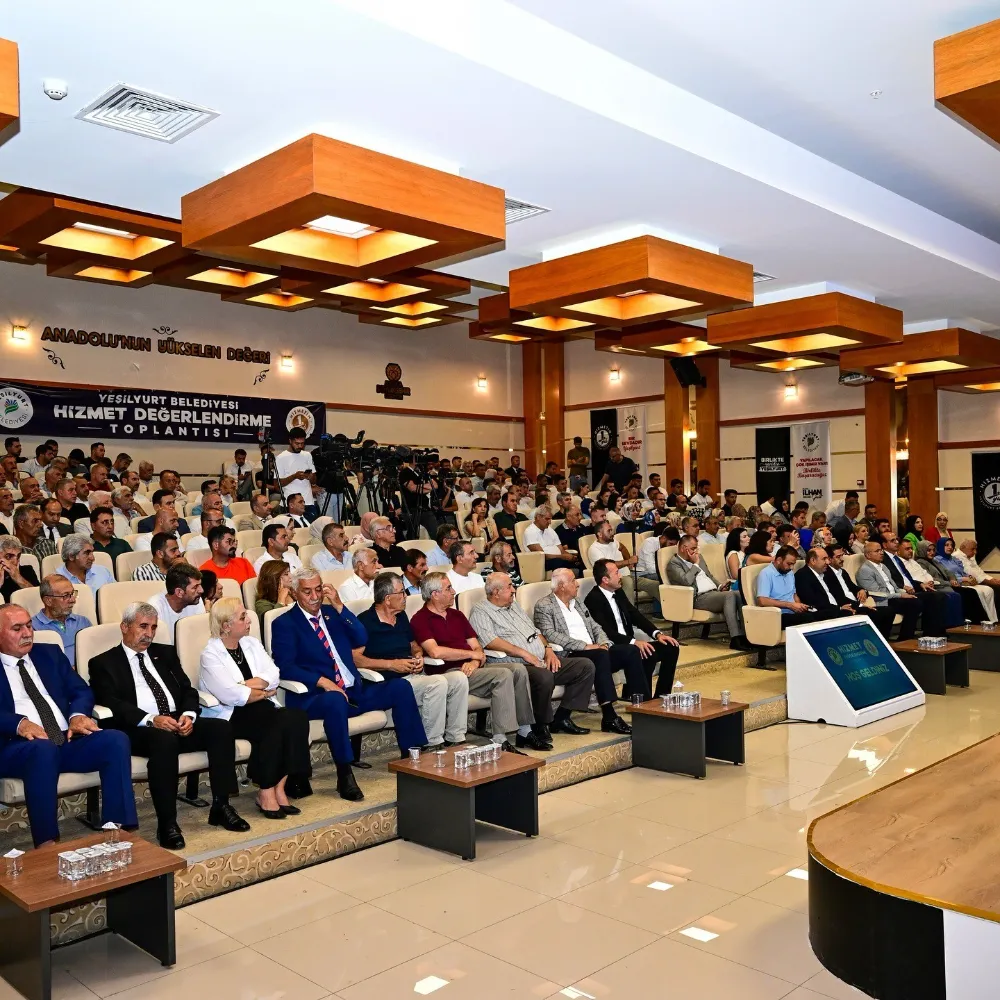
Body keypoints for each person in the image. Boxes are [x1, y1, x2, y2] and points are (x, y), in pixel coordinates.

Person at [89, 601, 250, 849]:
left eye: (153, 627)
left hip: (176, 720)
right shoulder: (103, 662)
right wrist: (151, 719)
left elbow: (187, 689)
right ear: (124, 627)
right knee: (163, 741)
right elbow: (111, 703)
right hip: (138, 729)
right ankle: (167, 822)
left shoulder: (164, 653)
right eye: (143, 626)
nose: (149, 633)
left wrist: (188, 715)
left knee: (220, 727)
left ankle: (221, 805)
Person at [272, 569, 427, 799]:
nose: (315, 596)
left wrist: (339, 605)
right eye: (307, 591)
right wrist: (322, 681)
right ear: (294, 593)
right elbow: (285, 666)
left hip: (354, 690)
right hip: (313, 697)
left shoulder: (331, 613)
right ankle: (344, 773)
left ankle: (411, 758)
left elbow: (361, 638)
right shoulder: (284, 623)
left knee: (401, 687)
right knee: (335, 700)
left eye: (318, 589)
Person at [0, 605, 136, 847]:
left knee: (115, 739)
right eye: (17, 628)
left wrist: (77, 714)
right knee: (43, 750)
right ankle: (46, 843)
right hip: (17, 747)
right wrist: (18, 723)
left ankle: (117, 829)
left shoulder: (48, 654)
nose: (27, 633)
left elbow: (81, 690)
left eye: (29, 626)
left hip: (65, 739)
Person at [199, 599, 311, 820]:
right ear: (226, 625)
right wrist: (260, 689)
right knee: (274, 723)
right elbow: (230, 695)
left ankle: (279, 786)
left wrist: (246, 686)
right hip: (230, 714)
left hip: (259, 706)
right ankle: (266, 790)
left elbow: (273, 675)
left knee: (296, 717)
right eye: (242, 617)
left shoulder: (251, 643)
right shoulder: (210, 654)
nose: (249, 620)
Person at [470, 573, 595, 748]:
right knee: (544, 676)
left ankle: (562, 717)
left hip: (540, 659)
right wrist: (524, 653)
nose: (514, 589)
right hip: (514, 664)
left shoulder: (513, 606)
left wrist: (548, 649)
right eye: (509, 587)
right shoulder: (481, 610)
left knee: (584, 666)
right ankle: (539, 724)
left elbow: (535, 631)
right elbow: (489, 641)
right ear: (496, 592)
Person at [411, 572, 531, 753]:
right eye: (448, 588)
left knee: (518, 669)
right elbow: (435, 652)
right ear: (435, 594)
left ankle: (525, 730)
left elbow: (477, 648)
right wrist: (470, 655)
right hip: (447, 673)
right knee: (503, 674)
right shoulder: (420, 619)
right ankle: (500, 739)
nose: (454, 592)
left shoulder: (457, 615)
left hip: (471, 670)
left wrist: (474, 661)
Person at [355, 573, 469, 749]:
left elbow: (414, 644)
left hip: (413, 675)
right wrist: (391, 665)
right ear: (387, 599)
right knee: (437, 682)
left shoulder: (401, 617)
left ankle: (456, 737)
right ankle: (432, 742)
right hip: (387, 682)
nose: (405, 596)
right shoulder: (364, 621)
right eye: (401, 593)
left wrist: (418, 655)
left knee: (459, 678)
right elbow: (356, 659)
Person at [532, 570, 635, 734]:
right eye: (573, 581)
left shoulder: (578, 602)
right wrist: (585, 646)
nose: (578, 584)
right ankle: (609, 716)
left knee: (630, 651)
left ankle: (641, 705)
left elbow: (595, 626)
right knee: (600, 657)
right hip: (570, 653)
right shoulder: (544, 605)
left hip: (595, 650)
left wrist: (604, 643)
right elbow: (549, 634)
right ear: (561, 586)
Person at [585, 558, 681, 698]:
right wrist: (633, 642)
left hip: (631, 644)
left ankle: (662, 696)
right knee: (643, 652)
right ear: (605, 579)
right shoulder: (593, 600)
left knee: (671, 646)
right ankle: (644, 701)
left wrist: (657, 634)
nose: (621, 576)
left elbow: (635, 615)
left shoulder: (618, 592)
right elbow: (606, 632)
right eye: (617, 573)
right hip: (614, 647)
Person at [667, 536, 750, 648]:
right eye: (693, 548)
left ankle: (746, 636)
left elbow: (709, 576)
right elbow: (686, 581)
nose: (696, 551)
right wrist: (695, 564)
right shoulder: (674, 563)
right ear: (683, 548)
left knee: (739, 594)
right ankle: (735, 638)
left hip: (714, 594)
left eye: (696, 548)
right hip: (698, 598)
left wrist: (720, 586)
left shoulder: (698, 557)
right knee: (730, 596)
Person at [794, 547, 896, 637]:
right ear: (813, 560)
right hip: (825, 611)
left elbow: (840, 593)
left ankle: (880, 641)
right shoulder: (803, 575)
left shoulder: (825, 574)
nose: (828, 562)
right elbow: (812, 600)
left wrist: (858, 605)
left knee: (887, 611)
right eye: (824, 559)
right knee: (861, 614)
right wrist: (839, 608)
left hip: (840, 607)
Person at [754, 545, 850, 629]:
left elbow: (794, 594)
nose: (792, 568)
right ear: (779, 560)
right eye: (789, 564)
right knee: (812, 618)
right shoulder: (766, 573)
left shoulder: (789, 573)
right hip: (778, 615)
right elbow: (762, 601)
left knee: (824, 613)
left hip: (794, 612)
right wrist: (790, 605)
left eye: (793, 564)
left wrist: (800, 606)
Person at [879, 533, 952, 635]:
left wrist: (920, 584)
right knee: (924, 600)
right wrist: (903, 587)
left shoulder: (896, 558)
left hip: (913, 588)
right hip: (900, 591)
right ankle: (912, 637)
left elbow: (906, 576)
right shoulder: (883, 559)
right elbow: (888, 579)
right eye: (892, 541)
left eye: (896, 539)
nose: (896, 542)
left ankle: (934, 633)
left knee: (940, 596)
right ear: (884, 545)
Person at [855, 541, 926, 640]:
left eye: (881, 550)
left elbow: (894, 587)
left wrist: (902, 593)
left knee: (921, 599)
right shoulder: (865, 570)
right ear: (868, 555)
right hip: (883, 600)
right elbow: (878, 594)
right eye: (877, 551)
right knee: (914, 604)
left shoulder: (883, 566)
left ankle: (911, 636)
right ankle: (905, 638)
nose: (881, 553)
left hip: (894, 596)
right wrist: (900, 595)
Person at [31, 575, 93, 666]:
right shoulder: (33, 628)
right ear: (48, 601)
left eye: (73, 594)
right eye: (66, 595)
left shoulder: (83, 622)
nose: (73, 600)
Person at [929, 538, 992, 623]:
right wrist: (962, 579)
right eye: (947, 545)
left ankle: (987, 619)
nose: (950, 547)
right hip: (951, 584)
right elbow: (944, 576)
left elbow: (962, 572)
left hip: (962, 581)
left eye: (951, 545)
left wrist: (969, 577)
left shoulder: (953, 559)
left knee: (988, 589)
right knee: (972, 592)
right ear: (940, 546)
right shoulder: (937, 560)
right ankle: (977, 621)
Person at [149, 564, 206, 637]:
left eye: (200, 585)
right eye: (195, 587)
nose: (201, 590)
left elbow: (201, 636)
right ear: (179, 592)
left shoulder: (196, 600)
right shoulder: (155, 608)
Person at [275, 427, 317, 519]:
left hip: (308, 502)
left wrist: (310, 476)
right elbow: (277, 484)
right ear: (290, 441)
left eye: (302, 443)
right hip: (290, 505)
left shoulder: (307, 455)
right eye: (297, 443)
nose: (300, 446)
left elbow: (314, 480)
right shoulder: (281, 458)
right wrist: (294, 476)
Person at [0, 535, 40, 602]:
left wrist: (19, 579)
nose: (15, 561)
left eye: (18, 556)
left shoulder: (27, 570)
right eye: (8, 556)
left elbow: (39, 600)